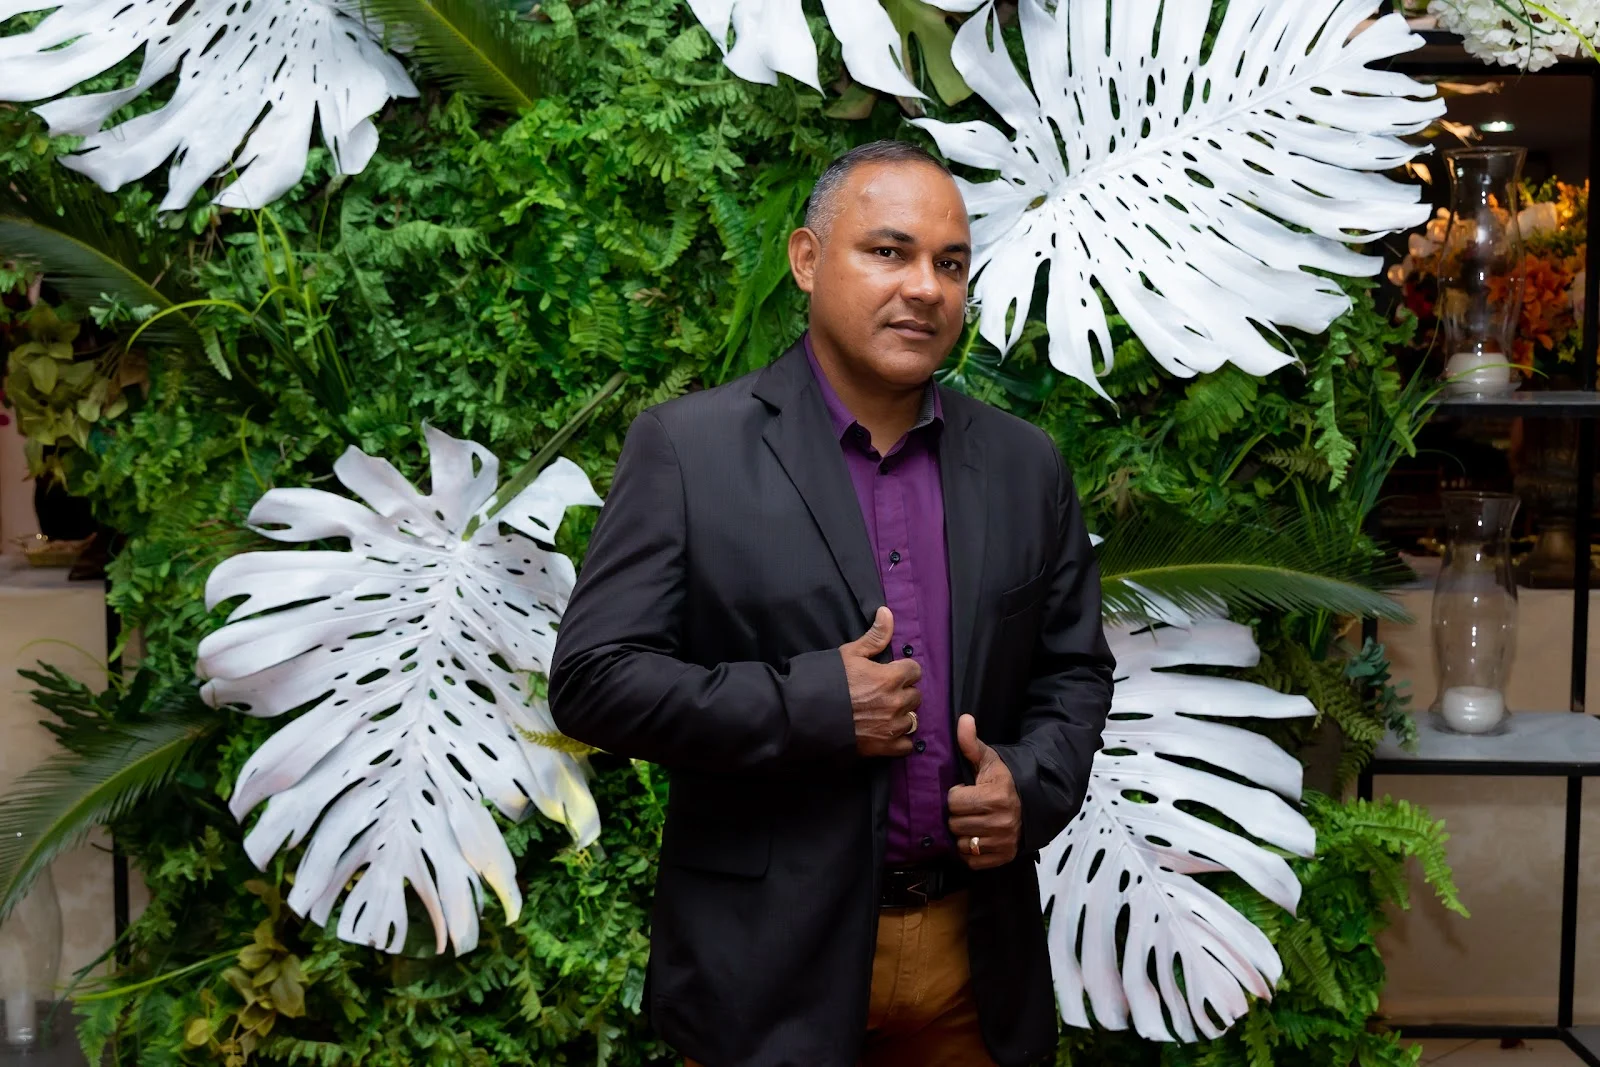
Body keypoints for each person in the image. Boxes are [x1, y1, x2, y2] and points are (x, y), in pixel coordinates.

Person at [549, 140, 1115, 1067]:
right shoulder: (688, 451)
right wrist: (812, 704)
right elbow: (593, 680)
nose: (925, 287)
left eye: (950, 264)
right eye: (889, 252)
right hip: (765, 972)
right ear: (807, 260)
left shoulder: (1025, 465)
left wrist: (1029, 783)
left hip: (972, 972)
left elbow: (1074, 670)